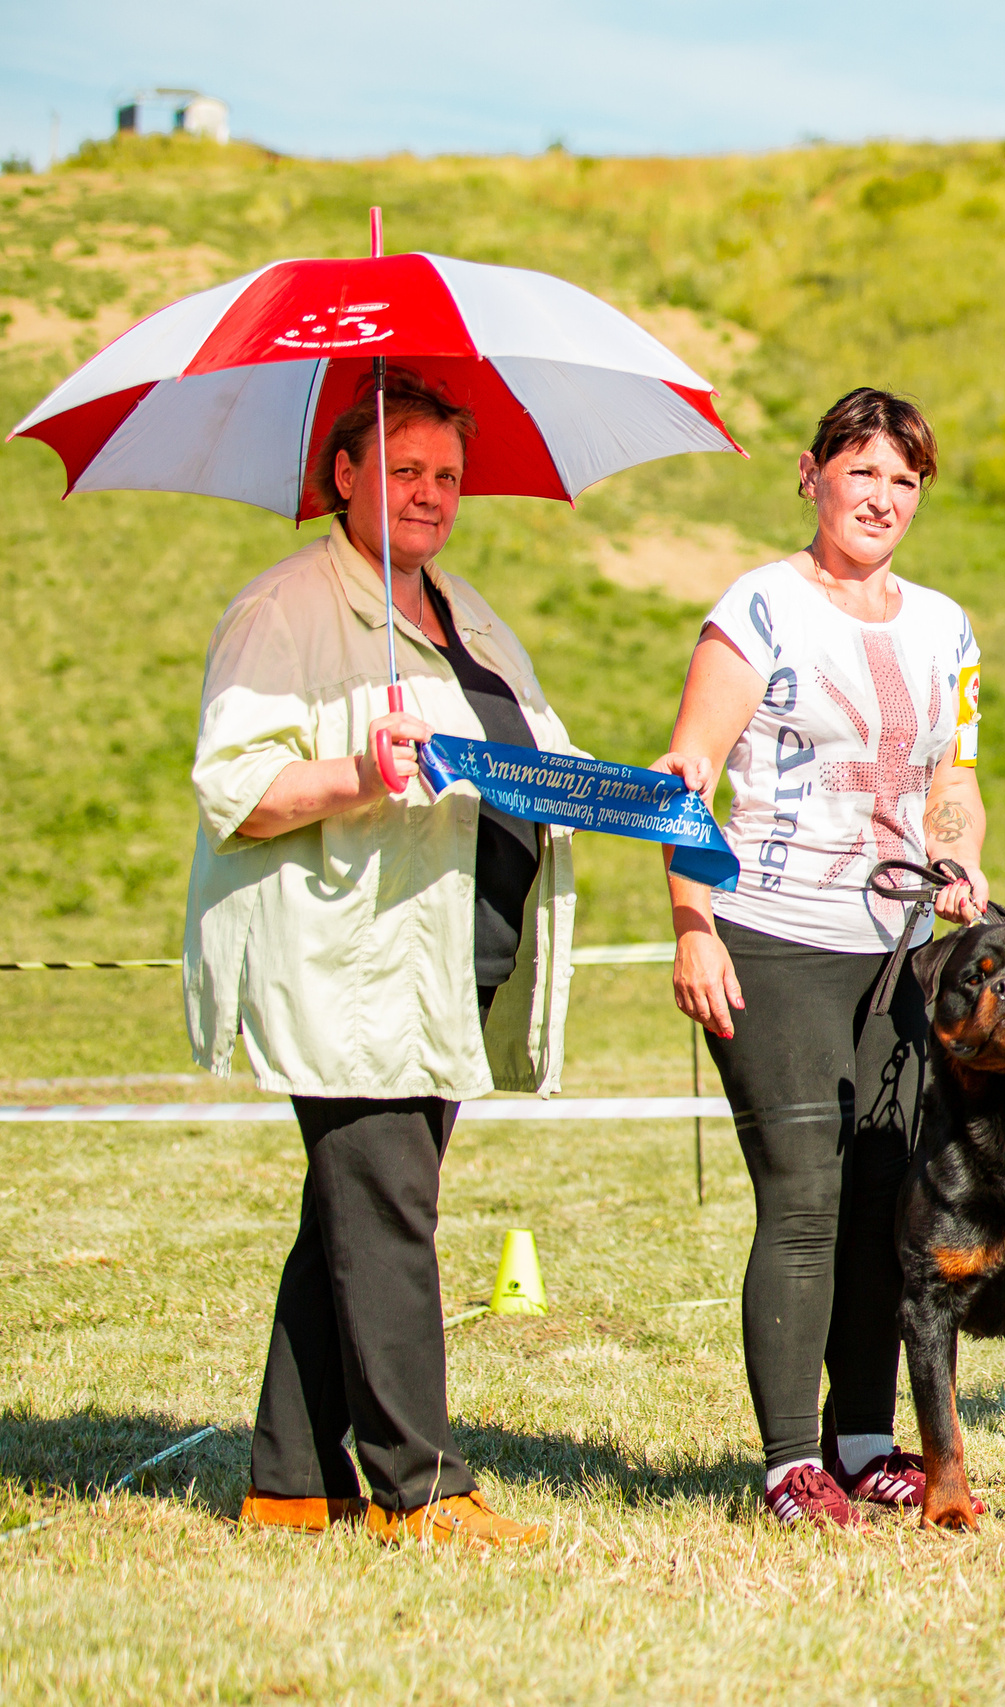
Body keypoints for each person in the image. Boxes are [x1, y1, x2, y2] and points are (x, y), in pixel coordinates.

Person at [188, 369, 573, 1547]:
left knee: (352, 1217)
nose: (431, 493)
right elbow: (235, 787)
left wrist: (645, 797)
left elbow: (541, 751)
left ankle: (293, 1480)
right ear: (343, 472)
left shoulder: (466, 610)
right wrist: (365, 773)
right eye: (403, 468)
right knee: (389, 1211)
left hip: (453, 959)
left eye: (448, 475)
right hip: (348, 961)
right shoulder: (287, 609)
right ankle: (419, 1488)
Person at [650, 389, 988, 1530]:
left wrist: (957, 864)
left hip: (895, 955)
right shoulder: (756, 608)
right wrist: (693, 922)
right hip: (770, 936)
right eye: (862, 472)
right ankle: (790, 1463)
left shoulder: (948, 627)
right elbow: (683, 772)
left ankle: (863, 1439)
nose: (883, 497)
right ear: (811, 476)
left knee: (888, 1206)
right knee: (803, 1199)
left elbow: (955, 782)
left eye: (904, 479)